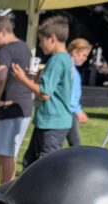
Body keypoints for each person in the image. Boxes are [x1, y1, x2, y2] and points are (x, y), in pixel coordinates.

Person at [10, 15, 73, 168]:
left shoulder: (57, 60)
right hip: (50, 121)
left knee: (46, 167)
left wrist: (22, 78)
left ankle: (49, 192)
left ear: (52, 38)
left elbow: (45, 93)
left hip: (52, 123)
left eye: (41, 40)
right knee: (30, 163)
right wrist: (34, 78)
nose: (40, 44)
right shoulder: (65, 59)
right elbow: (51, 86)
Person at [0, 13, 33, 184]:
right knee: (10, 152)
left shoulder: (6, 50)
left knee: (5, 154)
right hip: (24, 106)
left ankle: (5, 193)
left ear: (3, 31)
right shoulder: (25, 47)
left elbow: (1, 76)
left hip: (9, 107)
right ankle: (7, 189)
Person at [66, 38, 92, 147]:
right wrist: (78, 111)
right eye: (84, 55)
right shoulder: (71, 70)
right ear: (75, 52)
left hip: (69, 112)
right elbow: (69, 94)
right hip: (70, 112)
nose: (85, 59)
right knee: (75, 145)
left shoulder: (73, 70)